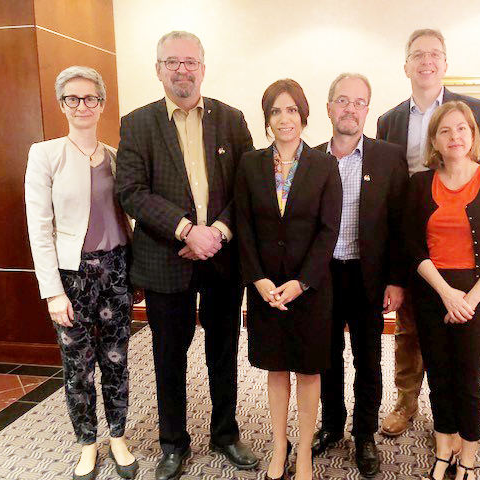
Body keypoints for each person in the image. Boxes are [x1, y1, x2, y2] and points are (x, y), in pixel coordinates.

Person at [115, 31, 257, 480]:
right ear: (158, 69)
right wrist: (185, 230)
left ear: (203, 66)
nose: (182, 70)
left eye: (190, 61)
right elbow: (131, 191)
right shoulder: (137, 123)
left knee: (223, 352)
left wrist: (216, 231)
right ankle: (173, 444)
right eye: (172, 62)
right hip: (165, 259)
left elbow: (247, 187)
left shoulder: (232, 121)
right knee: (168, 357)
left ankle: (226, 434)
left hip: (221, 258)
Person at [377, 28, 480, 438]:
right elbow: (388, 193)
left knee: (458, 338)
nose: (426, 61)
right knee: (410, 327)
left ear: (445, 63)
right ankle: (407, 402)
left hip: (461, 244)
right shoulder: (389, 120)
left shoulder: (475, 112)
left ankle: (448, 419)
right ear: (406, 65)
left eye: (434, 54)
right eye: (417, 55)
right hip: (413, 240)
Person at [25, 66, 138, 480]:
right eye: (72, 98)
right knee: (78, 367)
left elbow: (130, 217)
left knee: (117, 360)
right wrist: (52, 292)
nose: (82, 105)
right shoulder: (45, 154)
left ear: (102, 103)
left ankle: (119, 436)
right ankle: (87, 444)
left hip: (116, 271)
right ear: (62, 105)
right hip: (71, 278)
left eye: (90, 98)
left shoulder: (114, 156)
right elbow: (39, 228)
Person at [235, 79, 342, 480]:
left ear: (304, 116)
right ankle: (280, 447)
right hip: (265, 289)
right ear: (267, 119)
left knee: (309, 370)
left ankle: (304, 455)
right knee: (276, 368)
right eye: (276, 111)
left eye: (292, 110)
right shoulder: (250, 164)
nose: (285, 118)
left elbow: (329, 230)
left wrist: (302, 282)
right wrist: (258, 280)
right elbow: (243, 227)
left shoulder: (324, 165)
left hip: (309, 289)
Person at [405, 101, 480, 480]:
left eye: (462, 129)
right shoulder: (419, 183)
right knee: (438, 375)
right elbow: (411, 245)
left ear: (473, 135)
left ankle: (467, 456)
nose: (455, 137)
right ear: (434, 139)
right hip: (433, 291)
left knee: (468, 378)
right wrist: (446, 294)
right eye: (445, 130)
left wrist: (468, 298)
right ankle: (443, 449)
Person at [309, 73, 408, 478]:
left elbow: (401, 225)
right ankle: (332, 426)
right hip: (323, 276)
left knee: (369, 360)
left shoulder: (388, 157)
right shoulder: (310, 157)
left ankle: (364, 433)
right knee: (327, 357)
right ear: (330, 106)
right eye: (343, 100)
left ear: (368, 109)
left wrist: (397, 279)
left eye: (360, 102)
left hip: (368, 276)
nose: (351, 108)